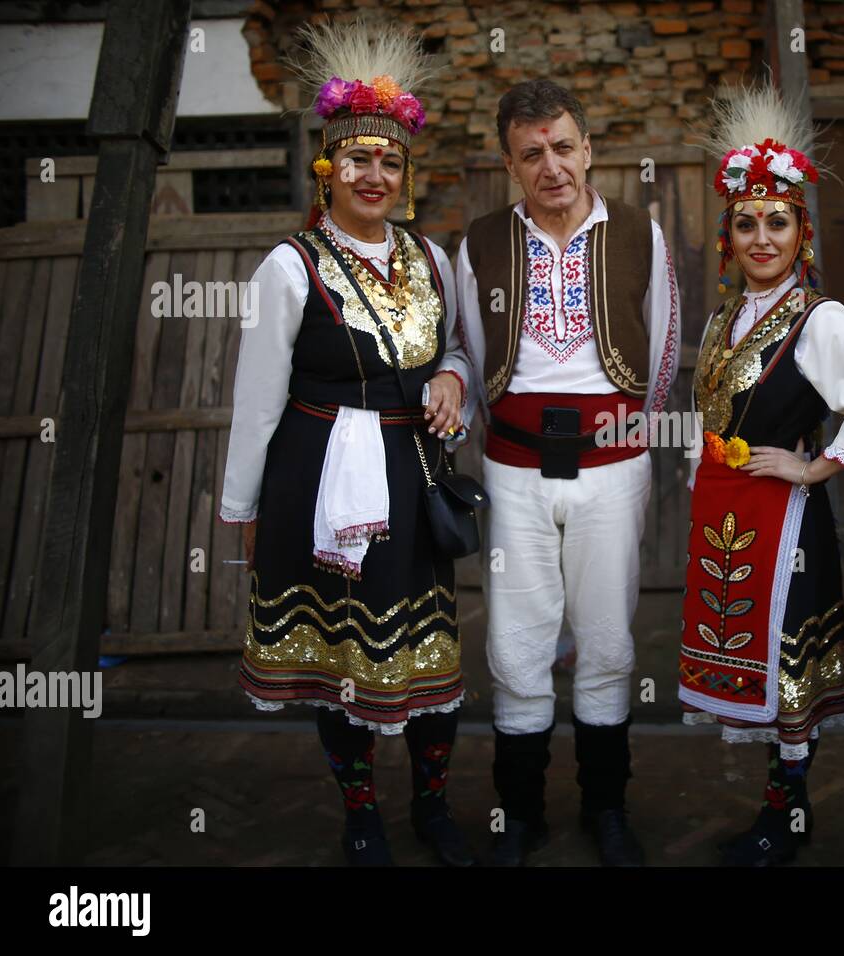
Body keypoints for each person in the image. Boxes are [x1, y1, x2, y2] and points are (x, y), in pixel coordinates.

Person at [219, 17, 476, 867]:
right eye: (359, 158)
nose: (375, 174)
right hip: (319, 480)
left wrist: (453, 378)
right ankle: (361, 814)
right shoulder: (289, 268)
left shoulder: (431, 261)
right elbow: (256, 401)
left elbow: (456, 350)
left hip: (413, 479)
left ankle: (433, 809)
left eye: (390, 161)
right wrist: (243, 511)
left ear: (406, 176)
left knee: (427, 654)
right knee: (341, 660)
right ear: (330, 167)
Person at [679, 85, 844, 866]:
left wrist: (817, 466)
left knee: (785, 672)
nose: (761, 236)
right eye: (746, 223)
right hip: (727, 511)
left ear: (801, 232)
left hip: (783, 523)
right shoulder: (723, 320)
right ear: (729, 236)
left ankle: (787, 818)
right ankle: (778, 810)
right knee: (749, 664)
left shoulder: (821, 320)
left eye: (777, 221)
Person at [455, 79, 680, 866]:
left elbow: (660, 354)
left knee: (608, 640)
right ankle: (520, 814)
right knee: (516, 643)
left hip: (613, 471)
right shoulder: (478, 242)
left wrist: (624, 436)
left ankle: (605, 808)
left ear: (588, 150)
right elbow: (471, 352)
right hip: (513, 468)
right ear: (510, 165)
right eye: (531, 154)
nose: (551, 166)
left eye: (563, 147)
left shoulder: (637, 237)